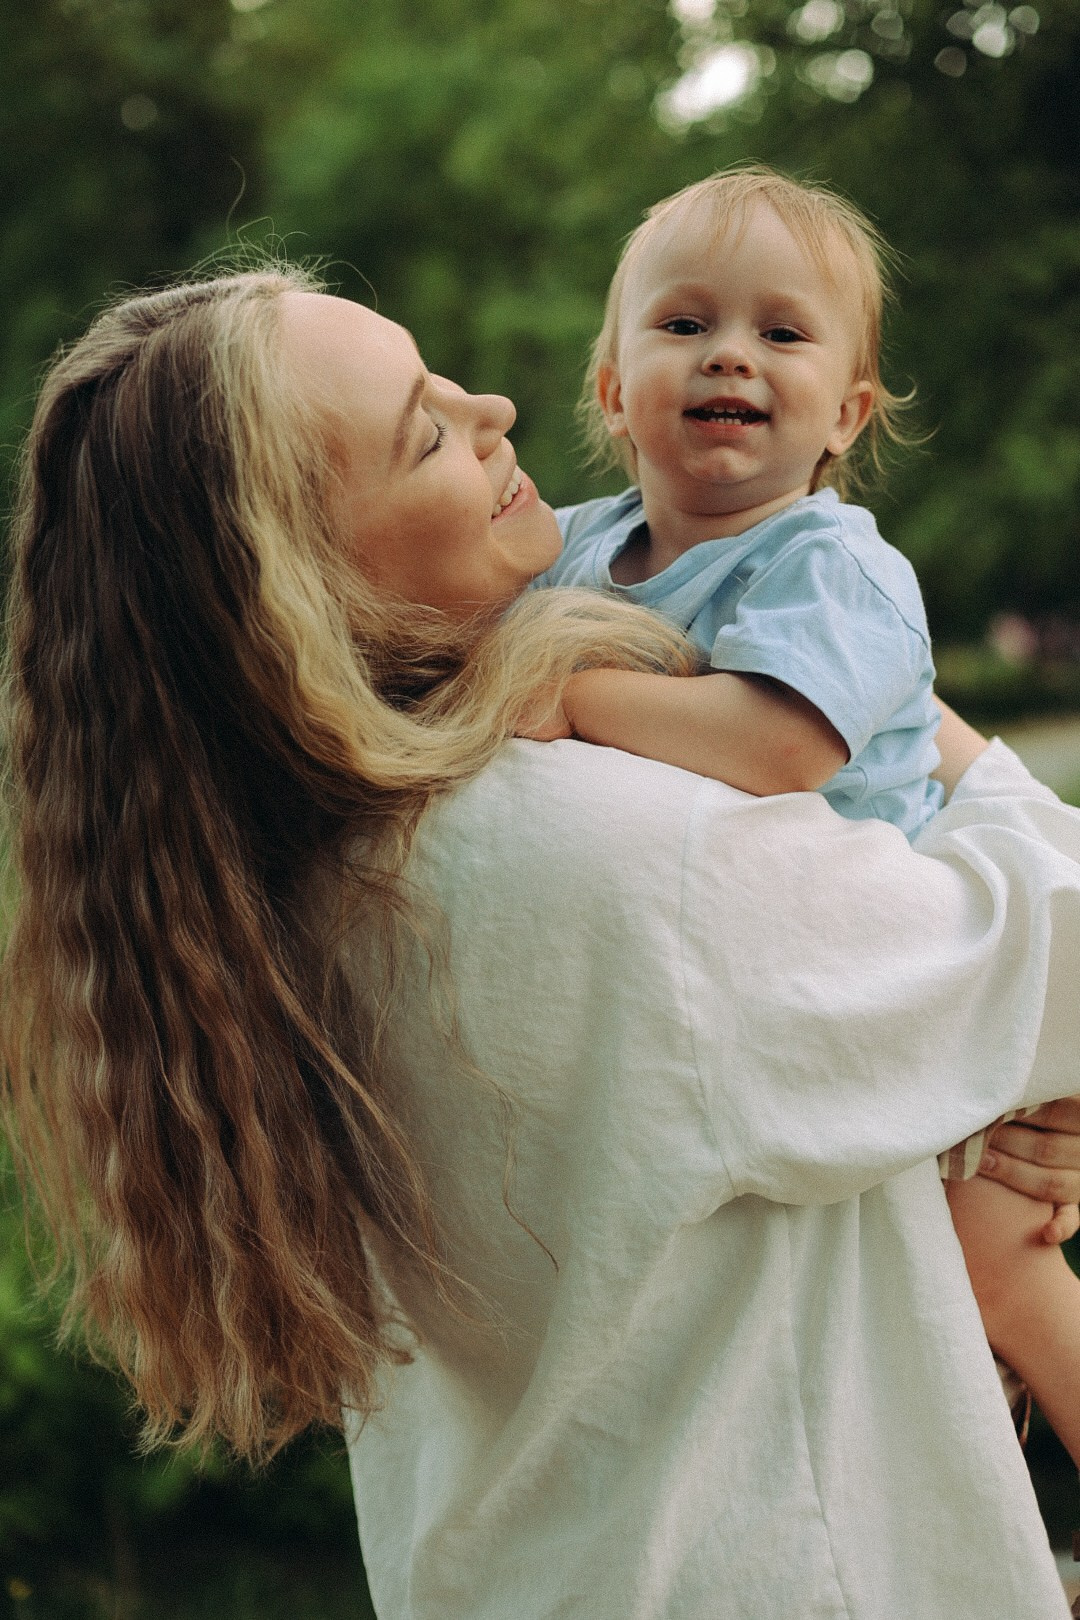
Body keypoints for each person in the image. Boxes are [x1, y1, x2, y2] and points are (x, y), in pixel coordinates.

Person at [5, 269, 1080, 1620]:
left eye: (446, 380)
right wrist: (922, 720)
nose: (495, 407)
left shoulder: (284, 863)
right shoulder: (615, 853)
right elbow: (1060, 954)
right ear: (304, 580)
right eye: (425, 432)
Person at [533, 164, 1080, 1463]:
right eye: (685, 325)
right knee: (908, 1338)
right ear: (613, 385)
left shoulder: (835, 566)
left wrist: (563, 694)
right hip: (787, 993)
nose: (732, 354)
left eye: (781, 332)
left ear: (846, 411)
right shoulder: (575, 552)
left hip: (930, 970)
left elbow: (777, 744)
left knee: (996, 1262)